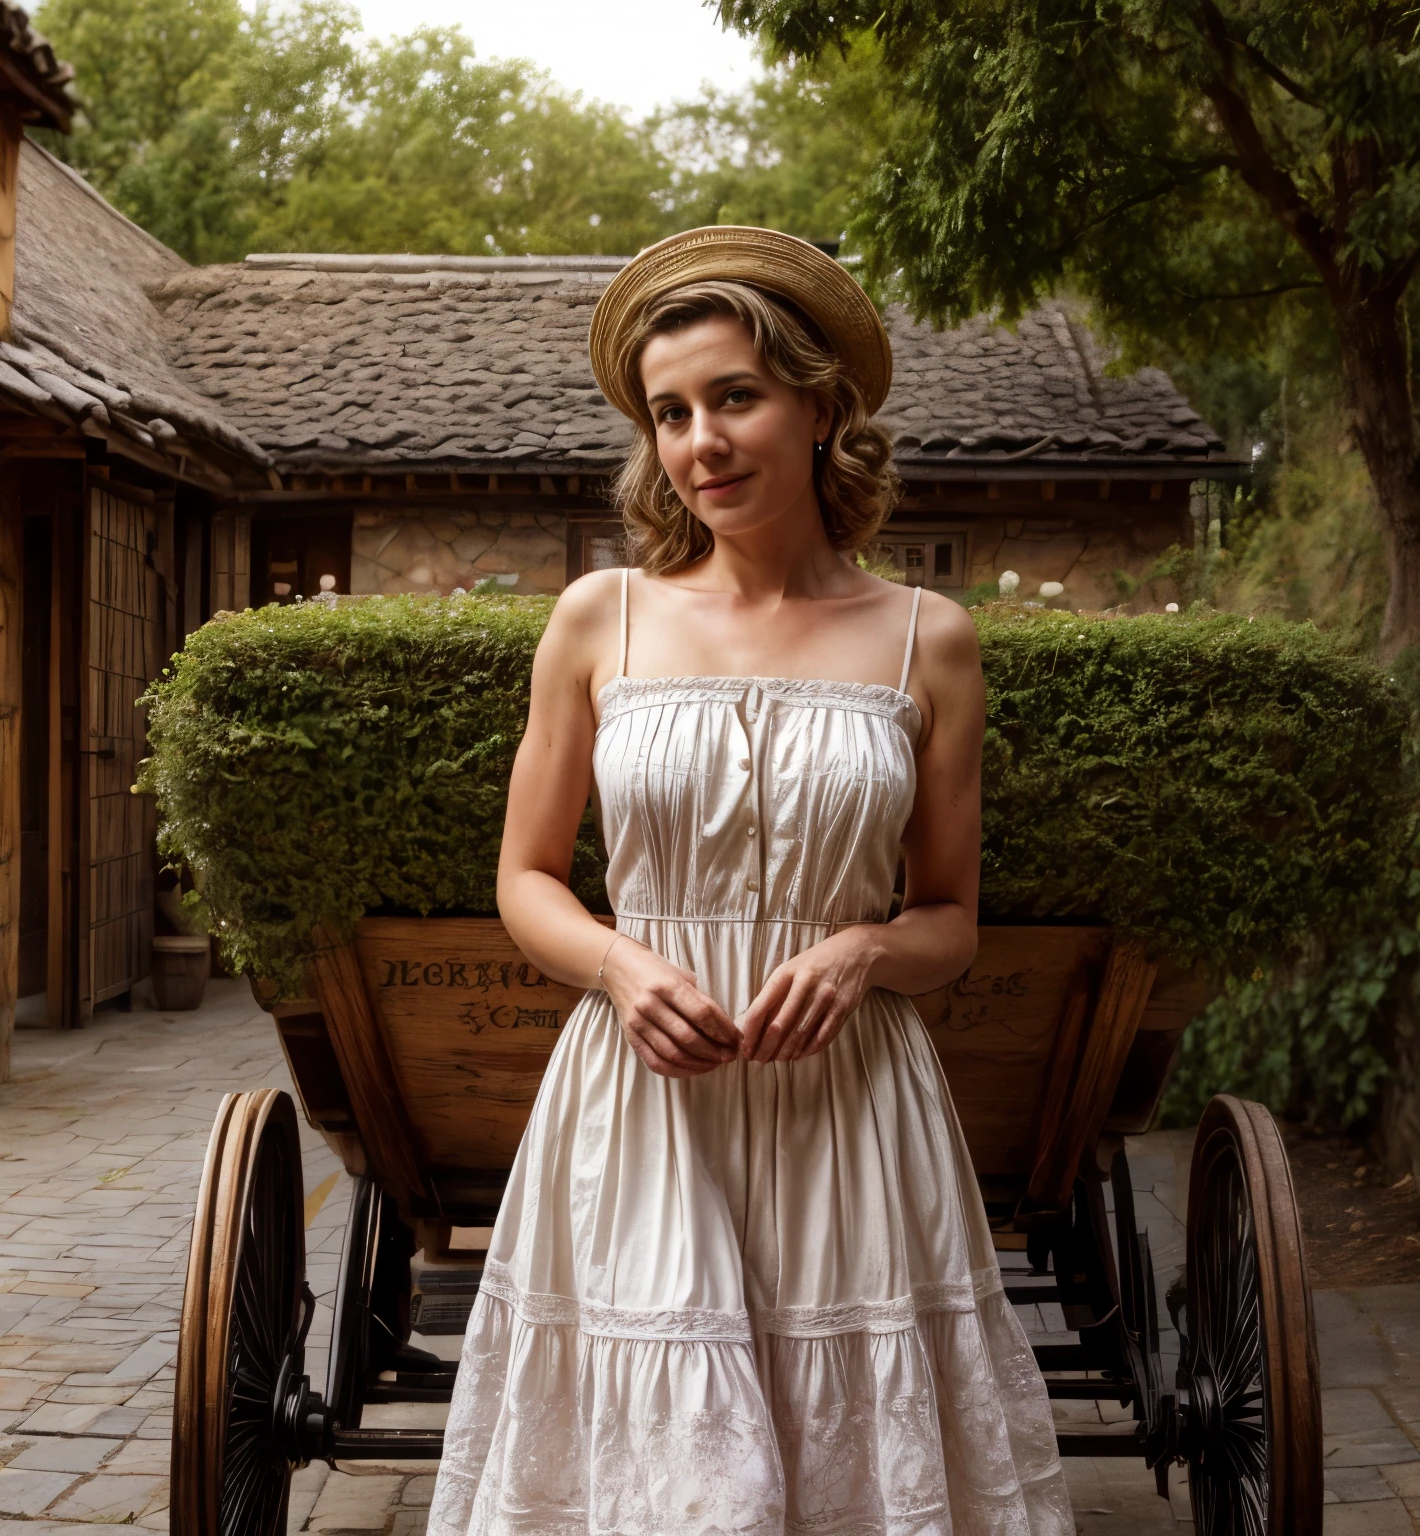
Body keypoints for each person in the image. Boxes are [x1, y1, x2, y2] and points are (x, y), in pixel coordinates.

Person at [427, 227, 1072, 1535]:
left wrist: (865, 953)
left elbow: (950, 917)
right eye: (670, 413)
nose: (700, 442)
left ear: (821, 404)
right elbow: (526, 878)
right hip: (643, 1099)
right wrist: (617, 963)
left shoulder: (924, 639)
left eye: (734, 397)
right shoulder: (598, 618)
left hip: (851, 1115)